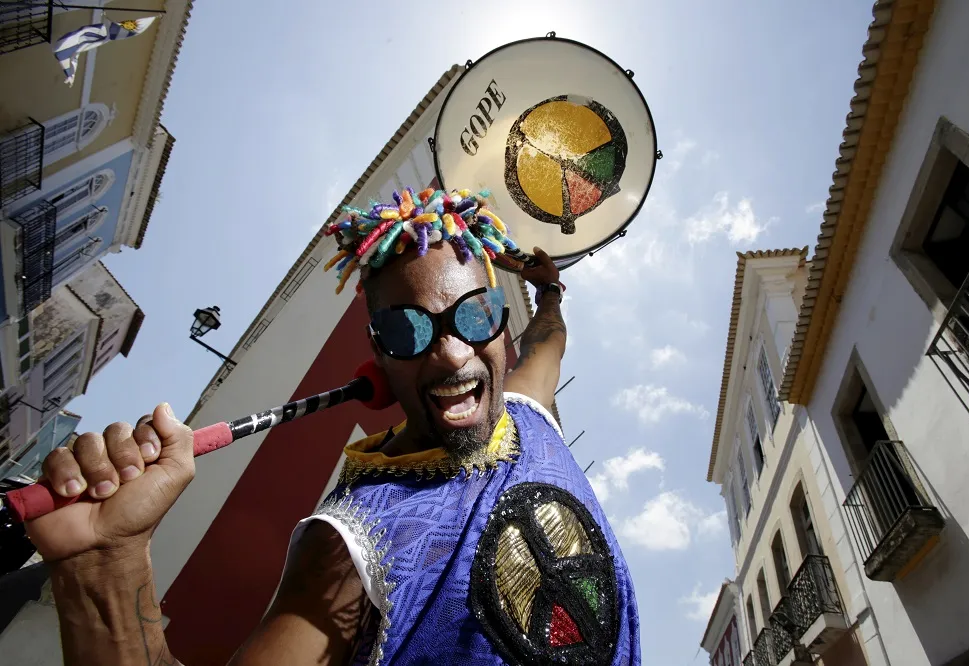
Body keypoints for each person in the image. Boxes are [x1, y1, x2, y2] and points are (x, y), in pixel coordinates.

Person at [25, 188, 640, 665]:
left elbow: (548, 339)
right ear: (377, 359)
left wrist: (550, 292)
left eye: (473, 316)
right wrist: (106, 566)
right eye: (408, 330)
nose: (452, 355)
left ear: (501, 330)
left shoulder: (529, 412)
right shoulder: (349, 546)